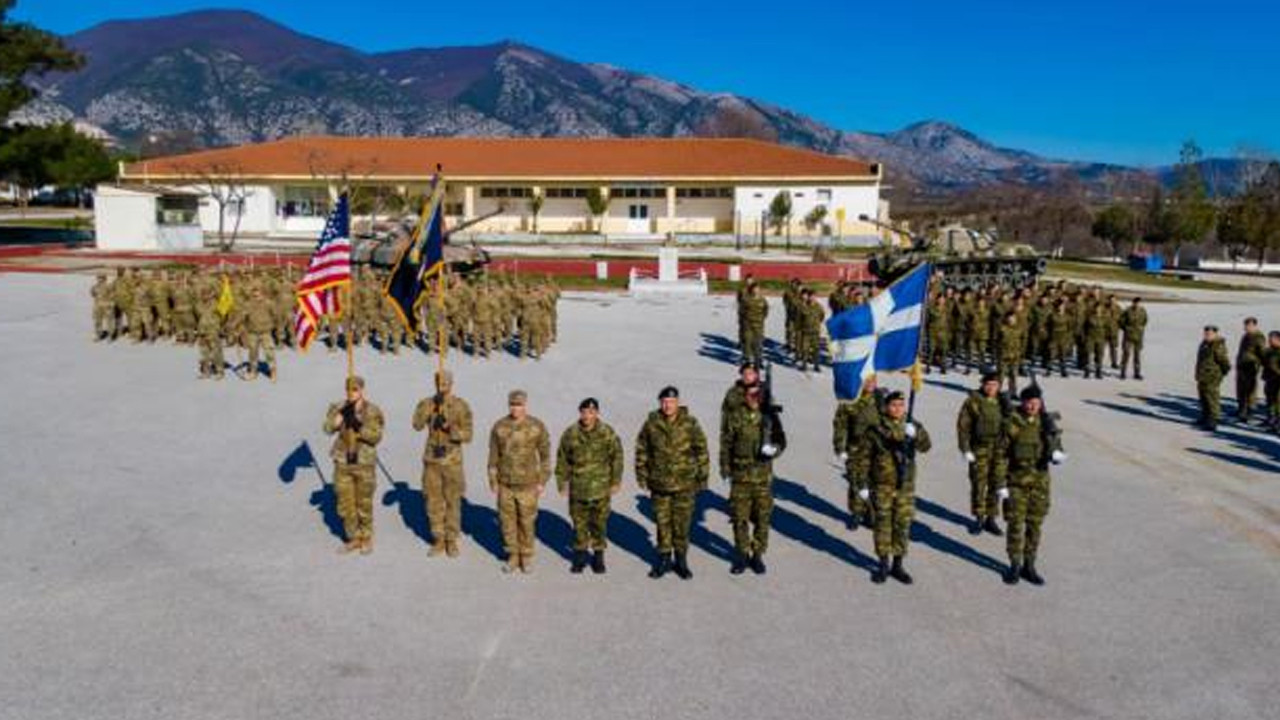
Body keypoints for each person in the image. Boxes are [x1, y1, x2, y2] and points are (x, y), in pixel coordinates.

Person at [635, 386, 709, 580]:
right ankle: (664, 559)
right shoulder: (651, 424)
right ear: (660, 403)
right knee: (662, 523)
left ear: (678, 402)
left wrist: (703, 477)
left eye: (671, 402)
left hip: (685, 484)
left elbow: (701, 449)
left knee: (682, 524)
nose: (668, 405)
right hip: (659, 484)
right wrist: (642, 475)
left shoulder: (690, 423)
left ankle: (681, 561)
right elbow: (642, 449)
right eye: (664, 402)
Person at [998, 385, 1065, 586]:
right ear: (1023, 402)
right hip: (1016, 484)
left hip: (1040, 485)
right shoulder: (1011, 423)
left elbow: (1057, 446)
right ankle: (1015, 565)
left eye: (1036, 403)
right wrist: (1001, 484)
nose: (1033, 406)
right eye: (1029, 402)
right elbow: (1001, 456)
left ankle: (1029, 565)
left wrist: (1058, 454)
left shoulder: (1046, 423)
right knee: (1016, 526)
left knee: (1034, 526)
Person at [867, 391, 932, 584]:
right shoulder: (876, 429)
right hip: (883, 486)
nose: (897, 409)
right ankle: (883, 564)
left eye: (901, 405)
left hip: (905, 487)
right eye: (893, 405)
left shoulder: (912, 425)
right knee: (883, 526)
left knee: (902, 526)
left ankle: (898, 564)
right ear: (886, 407)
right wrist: (862, 485)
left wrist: (916, 433)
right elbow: (864, 458)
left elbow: (926, 446)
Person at [720, 384, 786, 575]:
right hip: (740, 477)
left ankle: (757, 555)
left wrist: (774, 449)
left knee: (762, 519)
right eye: (750, 395)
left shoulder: (771, 416)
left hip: (762, 479)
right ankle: (741, 555)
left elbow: (782, 440)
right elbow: (726, 443)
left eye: (757, 394)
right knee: (739, 518)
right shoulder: (736, 416)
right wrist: (725, 468)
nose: (753, 398)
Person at [555, 398, 624, 574]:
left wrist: (616, 481)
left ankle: (598, 557)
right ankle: (579, 557)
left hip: (601, 489)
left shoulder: (606, 433)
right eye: (584, 412)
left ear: (597, 413)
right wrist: (562, 482)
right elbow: (562, 459)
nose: (587, 416)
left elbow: (617, 457)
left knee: (599, 524)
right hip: (578, 489)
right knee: (579, 524)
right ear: (580, 413)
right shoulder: (570, 434)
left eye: (591, 412)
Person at [411, 370, 474, 558]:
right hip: (432, 460)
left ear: (451, 383)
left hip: (452, 461)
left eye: (446, 382)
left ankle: (451, 540)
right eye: (439, 382)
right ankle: (438, 538)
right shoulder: (428, 403)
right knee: (433, 501)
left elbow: (468, 435)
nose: (442, 385)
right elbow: (416, 425)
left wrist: (450, 428)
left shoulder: (461, 406)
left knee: (453, 501)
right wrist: (428, 412)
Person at [487, 390, 551, 573]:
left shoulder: (536, 426)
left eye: (520, 405)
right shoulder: (499, 426)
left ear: (526, 405)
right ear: (509, 405)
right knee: (507, 522)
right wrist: (493, 480)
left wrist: (542, 481)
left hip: (528, 485)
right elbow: (493, 455)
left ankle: (526, 556)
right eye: (513, 405)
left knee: (527, 522)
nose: (516, 408)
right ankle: (512, 555)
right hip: (505, 484)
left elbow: (545, 455)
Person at [322, 376, 386, 555]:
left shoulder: (372, 411)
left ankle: (366, 537)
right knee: (344, 504)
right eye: (349, 389)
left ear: (362, 390)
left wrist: (358, 425)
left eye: (355, 389)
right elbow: (327, 428)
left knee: (363, 502)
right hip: (342, 460)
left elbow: (376, 436)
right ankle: (353, 537)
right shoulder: (338, 407)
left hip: (364, 462)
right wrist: (341, 417)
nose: (352, 393)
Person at [956, 371, 1008, 536]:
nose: (991, 388)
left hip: (999, 449)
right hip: (980, 448)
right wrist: (965, 449)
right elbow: (963, 426)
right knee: (979, 484)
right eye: (988, 385)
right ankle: (978, 517)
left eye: (995, 385)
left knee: (996, 484)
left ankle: (991, 518)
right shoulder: (973, 401)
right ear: (983, 385)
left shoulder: (1003, 402)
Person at [831, 374, 880, 530]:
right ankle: (856, 513)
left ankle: (871, 514)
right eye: (867, 380)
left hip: (877, 449)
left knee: (874, 481)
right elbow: (840, 424)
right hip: (855, 447)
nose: (871, 383)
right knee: (855, 480)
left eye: (873, 380)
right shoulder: (850, 400)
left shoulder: (881, 399)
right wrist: (840, 447)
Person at [1195, 325, 1232, 431]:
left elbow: (1224, 361)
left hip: (1213, 376)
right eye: (1206, 333)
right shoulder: (1205, 343)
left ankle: (1213, 420)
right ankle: (1205, 416)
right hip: (1203, 375)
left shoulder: (1217, 345)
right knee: (1203, 397)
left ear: (1215, 334)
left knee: (1212, 398)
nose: (1207, 335)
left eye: (1209, 334)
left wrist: (1222, 373)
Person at [1235, 317, 1267, 422]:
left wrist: (1263, 366)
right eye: (1245, 325)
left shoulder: (1258, 337)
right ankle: (1241, 410)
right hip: (1242, 366)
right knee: (1240, 389)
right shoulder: (1246, 336)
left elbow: (1263, 353)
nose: (1245, 327)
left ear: (1254, 325)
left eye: (1248, 325)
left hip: (1251, 367)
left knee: (1250, 391)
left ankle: (1250, 411)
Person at [738, 283, 769, 365]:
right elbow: (741, 311)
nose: (756, 290)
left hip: (759, 325)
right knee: (748, 341)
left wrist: (762, 318)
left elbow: (766, 310)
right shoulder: (746, 299)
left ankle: (758, 359)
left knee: (758, 342)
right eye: (754, 289)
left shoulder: (763, 300)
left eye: (758, 289)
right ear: (751, 290)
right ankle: (747, 359)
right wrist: (744, 320)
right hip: (748, 324)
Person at [1118, 297, 1147, 380]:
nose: (1137, 304)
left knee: (1137, 356)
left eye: (1139, 303)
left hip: (1138, 336)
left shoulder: (1142, 311)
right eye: (1136, 303)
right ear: (1133, 303)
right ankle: (1123, 372)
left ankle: (1137, 373)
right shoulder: (1127, 311)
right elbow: (1120, 321)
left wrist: (1140, 328)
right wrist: (1126, 328)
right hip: (1128, 336)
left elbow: (1145, 321)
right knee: (1126, 354)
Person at [1261, 331, 1280, 432]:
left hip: (1278, 380)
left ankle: (1277, 423)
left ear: (1278, 339)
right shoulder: (1270, 351)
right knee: (1270, 400)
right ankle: (1271, 420)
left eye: (1271, 339)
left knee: (1278, 403)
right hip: (1270, 379)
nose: (1269, 341)